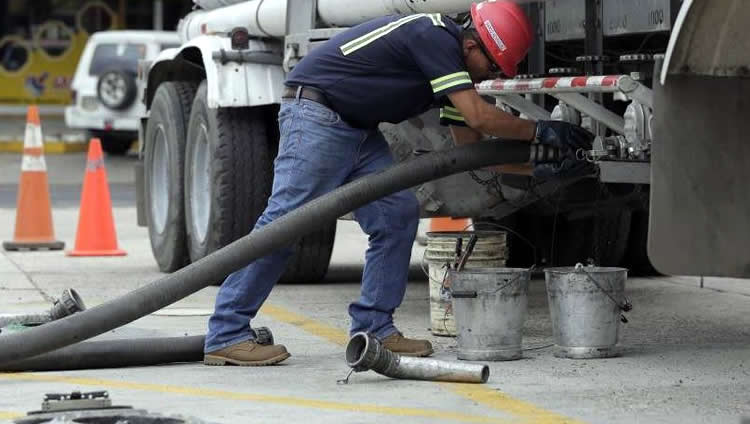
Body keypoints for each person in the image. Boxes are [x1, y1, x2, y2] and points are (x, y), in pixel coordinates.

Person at [203, 0, 593, 366]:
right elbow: (481, 119)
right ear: (472, 44)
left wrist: (538, 171)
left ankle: (375, 327)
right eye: (492, 67)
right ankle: (226, 333)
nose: (491, 77)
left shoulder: (448, 68)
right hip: (316, 115)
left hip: (356, 129)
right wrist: (540, 130)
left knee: (397, 214)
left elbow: (473, 153)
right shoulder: (434, 37)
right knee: (286, 225)